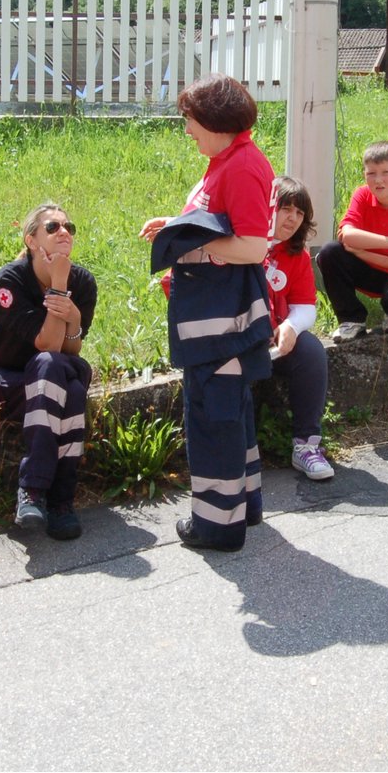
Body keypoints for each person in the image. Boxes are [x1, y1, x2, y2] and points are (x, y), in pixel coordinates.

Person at [140, 73, 274, 553]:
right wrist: (176, 227)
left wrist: (189, 242)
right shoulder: (228, 158)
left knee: (212, 414)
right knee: (228, 409)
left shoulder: (239, 166)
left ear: (214, 119)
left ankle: (217, 526)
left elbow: (253, 246)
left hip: (223, 318)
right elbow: (217, 224)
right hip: (216, 315)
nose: (187, 129)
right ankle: (245, 504)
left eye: (190, 119)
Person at [0, 203, 98, 540]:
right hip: (7, 379)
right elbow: (46, 345)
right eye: (53, 227)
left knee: (59, 376)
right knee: (61, 380)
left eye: (68, 227)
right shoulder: (11, 280)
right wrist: (58, 285)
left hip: (52, 375)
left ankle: (43, 495)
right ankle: (49, 496)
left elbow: (70, 349)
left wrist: (73, 318)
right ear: (31, 240)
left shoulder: (84, 282)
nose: (64, 232)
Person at [316, 140, 388, 343]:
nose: (378, 180)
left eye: (386, 172)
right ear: (364, 175)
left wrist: (361, 252)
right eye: (371, 173)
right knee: (329, 252)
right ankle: (351, 319)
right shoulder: (362, 195)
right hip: (369, 270)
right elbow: (346, 235)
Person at [263, 176, 335, 481]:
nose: (292, 218)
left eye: (300, 212)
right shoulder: (242, 244)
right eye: (286, 208)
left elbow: (306, 305)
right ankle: (238, 453)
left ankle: (306, 446)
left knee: (311, 351)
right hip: (239, 341)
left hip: (274, 342)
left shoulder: (297, 254)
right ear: (268, 208)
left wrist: (291, 326)